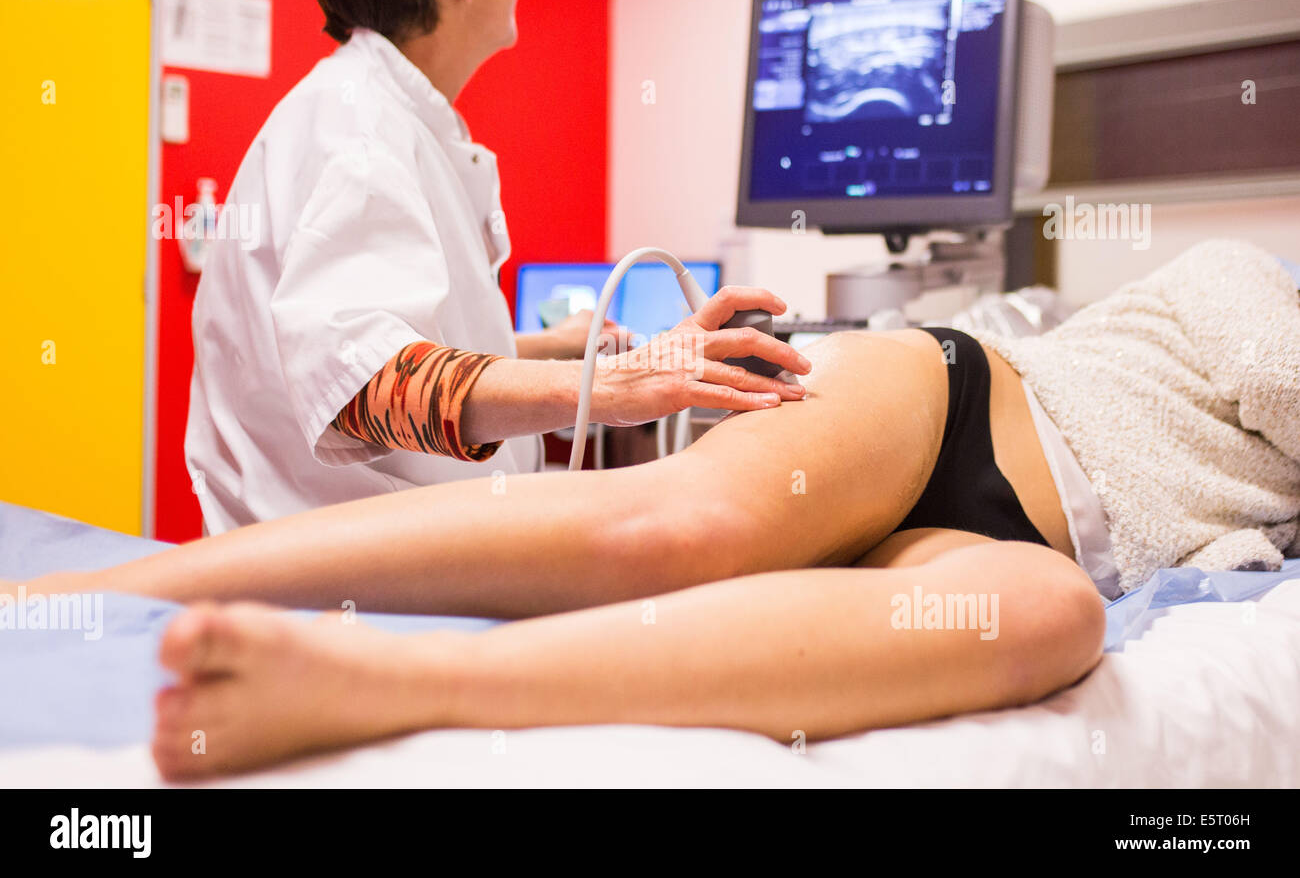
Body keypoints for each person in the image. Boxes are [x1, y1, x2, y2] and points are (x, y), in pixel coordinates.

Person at [15, 240, 1297, 780]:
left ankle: (380, 683)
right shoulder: (1248, 278)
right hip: (952, 401)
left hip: (1022, 538)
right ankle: (84, 594)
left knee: (1046, 620)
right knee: (682, 529)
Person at [186, 0, 807, 534]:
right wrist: (614, 381)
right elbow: (364, 390)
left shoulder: (368, 111)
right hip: (361, 584)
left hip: (371, 547)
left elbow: (371, 344)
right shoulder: (364, 138)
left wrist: (556, 345)